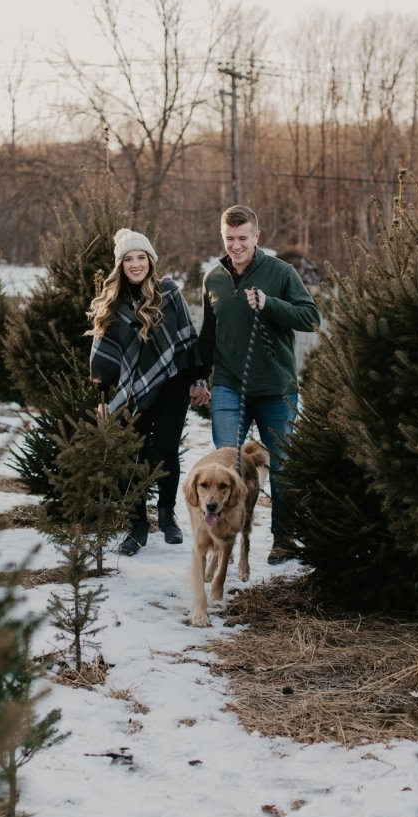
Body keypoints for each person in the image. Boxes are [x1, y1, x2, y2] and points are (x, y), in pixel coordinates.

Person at [198, 204, 321, 565]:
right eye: (229, 238)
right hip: (228, 387)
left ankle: (283, 538)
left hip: (276, 388)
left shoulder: (281, 273)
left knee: (281, 465)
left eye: (243, 238)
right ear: (223, 237)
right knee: (225, 468)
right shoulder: (213, 279)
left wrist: (269, 304)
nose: (236, 245)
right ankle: (225, 538)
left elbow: (310, 318)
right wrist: (198, 376)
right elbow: (208, 334)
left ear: (256, 237)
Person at [87, 228, 210, 555]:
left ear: (151, 261)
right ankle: (137, 523)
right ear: (121, 265)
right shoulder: (113, 302)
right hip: (131, 393)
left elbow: (187, 340)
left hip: (172, 384)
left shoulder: (169, 292)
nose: (136, 264)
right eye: (129, 259)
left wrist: (198, 380)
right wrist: (105, 400)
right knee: (135, 453)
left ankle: (168, 515)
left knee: (166, 448)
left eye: (141, 257)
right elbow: (103, 356)